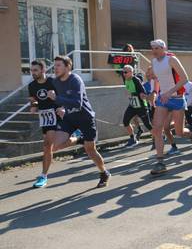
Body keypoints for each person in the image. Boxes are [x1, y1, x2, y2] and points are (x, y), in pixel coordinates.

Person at [47, 55, 110, 187]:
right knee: (56, 145)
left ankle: (104, 172)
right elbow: (56, 100)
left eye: (58, 65)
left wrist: (57, 99)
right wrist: (60, 107)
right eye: (55, 66)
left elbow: (77, 103)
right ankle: (78, 139)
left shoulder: (76, 80)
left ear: (67, 67)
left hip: (85, 118)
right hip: (69, 118)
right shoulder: (55, 82)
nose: (55, 68)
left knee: (90, 150)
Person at [148, 39, 192, 175]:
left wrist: (169, 92)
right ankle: (160, 162)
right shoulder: (153, 62)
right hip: (163, 99)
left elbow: (185, 79)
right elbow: (157, 79)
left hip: (176, 99)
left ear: (163, 48)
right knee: (157, 128)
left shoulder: (172, 60)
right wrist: (154, 92)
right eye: (152, 48)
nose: (154, 51)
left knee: (179, 132)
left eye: (157, 48)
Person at [29, 60, 60, 188]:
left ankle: (43, 175)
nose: (33, 73)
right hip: (45, 117)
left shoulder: (53, 82)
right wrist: (33, 107)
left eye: (35, 70)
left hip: (57, 115)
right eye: (31, 70)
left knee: (48, 145)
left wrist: (58, 101)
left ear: (43, 70)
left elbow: (63, 96)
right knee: (49, 146)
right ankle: (43, 176)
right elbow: (33, 101)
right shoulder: (31, 86)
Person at [122, 65, 152, 147]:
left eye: (125, 72)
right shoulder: (125, 78)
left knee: (147, 124)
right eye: (123, 72)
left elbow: (143, 92)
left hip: (141, 104)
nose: (124, 74)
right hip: (133, 104)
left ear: (131, 72)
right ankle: (132, 139)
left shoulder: (136, 80)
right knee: (125, 121)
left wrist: (139, 95)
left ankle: (157, 138)